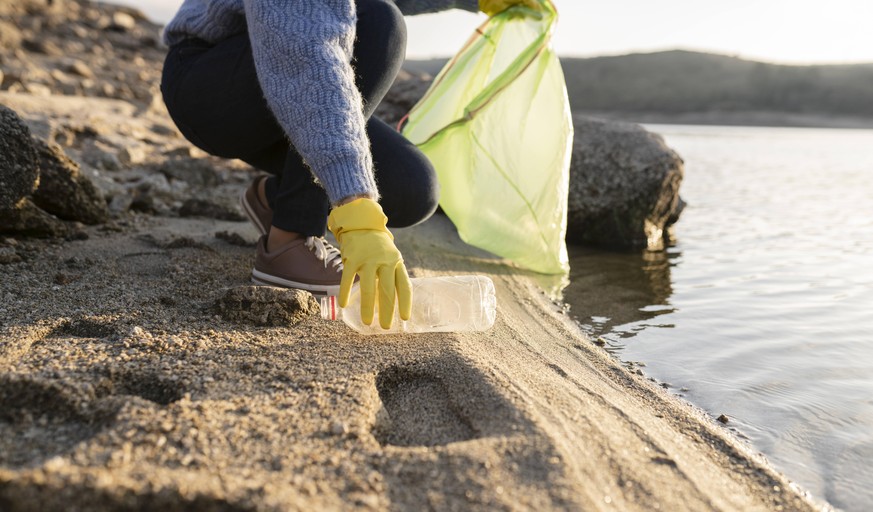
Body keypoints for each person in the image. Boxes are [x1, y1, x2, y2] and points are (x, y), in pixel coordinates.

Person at [160, 0, 540, 330]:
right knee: (378, 22)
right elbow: (308, 48)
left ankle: (274, 200)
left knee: (413, 188)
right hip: (211, 83)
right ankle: (288, 240)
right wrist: (355, 206)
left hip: (288, 75)